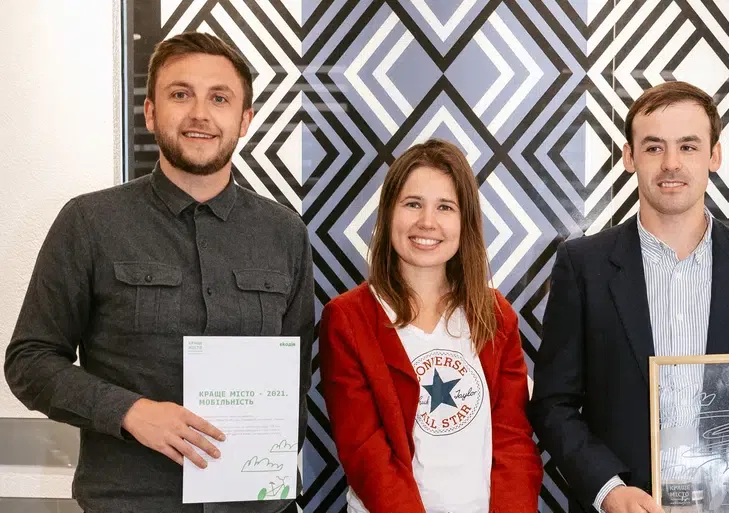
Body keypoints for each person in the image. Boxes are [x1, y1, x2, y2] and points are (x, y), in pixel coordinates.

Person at [4, 32, 314, 513]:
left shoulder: (285, 234)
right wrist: (129, 411)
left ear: (244, 120)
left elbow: (295, 376)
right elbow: (30, 361)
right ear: (151, 112)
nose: (200, 114)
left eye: (219, 98)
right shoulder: (89, 222)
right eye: (180, 94)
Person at [528, 80, 729, 513]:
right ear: (629, 156)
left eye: (688, 146)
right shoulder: (582, 265)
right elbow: (552, 403)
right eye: (654, 147)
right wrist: (608, 490)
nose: (671, 163)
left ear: (714, 155)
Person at [318, 138, 543, 513]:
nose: (427, 221)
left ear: (465, 221)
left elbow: (514, 440)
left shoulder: (495, 314)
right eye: (412, 204)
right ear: (388, 214)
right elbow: (365, 452)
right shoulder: (348, 318)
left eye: (445, 207)